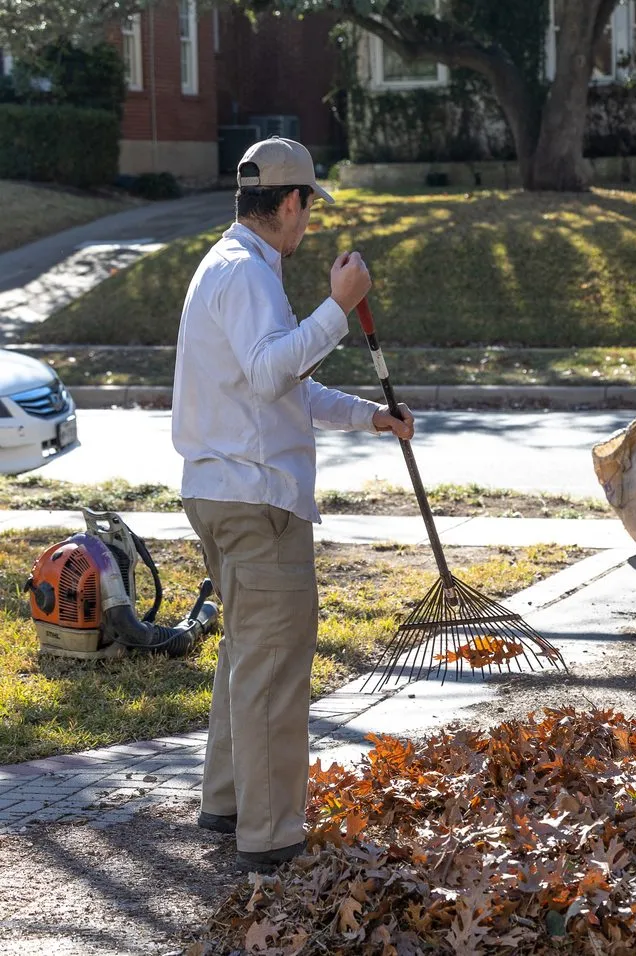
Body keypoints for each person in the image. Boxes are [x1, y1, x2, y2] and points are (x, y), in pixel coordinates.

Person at [172, 136, 414, 866]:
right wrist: (338, 308)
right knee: (276, 665)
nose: (309, 220)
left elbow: (287, 385)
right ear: (286, 202)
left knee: (248, 653)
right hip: (256, 499)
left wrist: (368, 415)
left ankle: (228, 801)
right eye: (307, 203)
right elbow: (273, 370)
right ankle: (272, 836)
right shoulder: (247, 273)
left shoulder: (234, 267)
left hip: (222, 491)